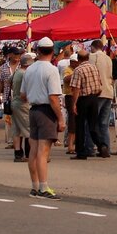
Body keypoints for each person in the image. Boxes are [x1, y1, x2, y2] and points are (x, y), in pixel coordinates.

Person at [22, 38, 63, 199]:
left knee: (33, 149)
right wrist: (60, 118)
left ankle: (35, 185)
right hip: (46, 110)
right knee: (43, 152)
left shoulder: (30, 69)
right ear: (53, 51)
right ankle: (43, 187)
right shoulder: (51, 70)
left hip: (33, 109)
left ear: (38, 51)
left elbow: (23, 95)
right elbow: (53, 98)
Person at [71, 50, 105, 160]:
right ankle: (101, 145)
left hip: (83, 98)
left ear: (78, 58)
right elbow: (99, 83)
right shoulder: (94, 67)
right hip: (94, 97)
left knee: (80, 125)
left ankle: (81, 151)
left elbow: (76, 88)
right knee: (93, 124)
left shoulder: (78, 70)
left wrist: (74, 103)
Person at [88, 39, 115, 158]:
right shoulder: (108, 58)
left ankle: (90, 148)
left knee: (91, 122)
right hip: (108, 91)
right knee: (104, 123)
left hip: (97, 92)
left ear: (93, 47)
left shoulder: (92, 57)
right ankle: (106, 148)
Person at [10, 51, 33, 162]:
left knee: (16, 129)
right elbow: (26, 92)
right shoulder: (25, 74)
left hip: (14, 101)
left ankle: (18, 153)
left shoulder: (16, 72)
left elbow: (9, 83)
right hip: (23, 103)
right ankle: (29, 154)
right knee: (28, 128)